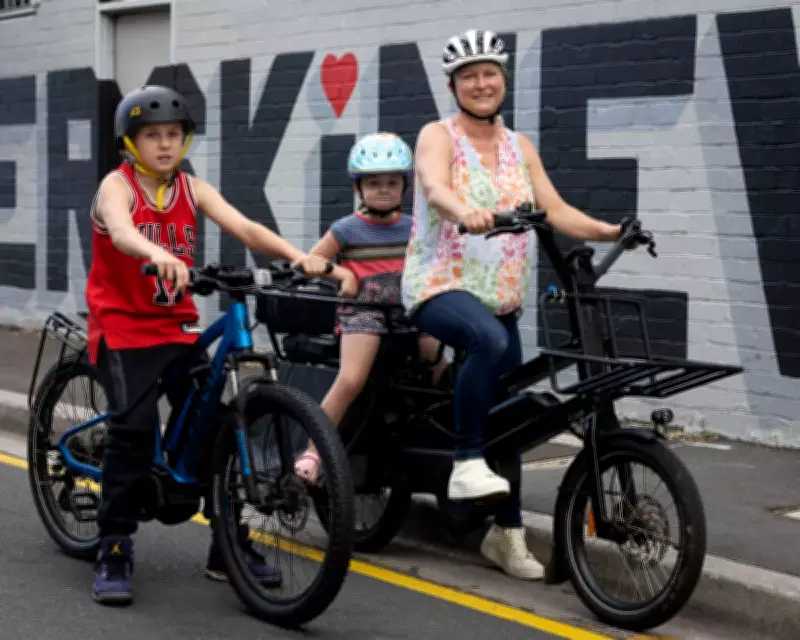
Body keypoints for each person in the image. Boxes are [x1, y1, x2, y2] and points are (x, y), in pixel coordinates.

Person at [85, 84, 357, 605]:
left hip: (175, 327)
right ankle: (114, 544)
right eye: (152, 135)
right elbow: (119, 230)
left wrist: (302, 258)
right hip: (123, 328)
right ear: (131, 142)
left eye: (173, 134)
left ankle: (227, 544)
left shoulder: (191, 187)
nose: (165, 144)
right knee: (133, 430)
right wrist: (155, 251)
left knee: (220, 429)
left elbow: (246, 228)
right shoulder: (117, 186)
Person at [401, 29, 625, 581]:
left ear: (503, 80)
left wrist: (611, 230)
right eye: (468, 76)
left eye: (489, 74)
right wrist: (463, 211)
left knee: (510, 419)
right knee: (488, 341)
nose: (480, 84)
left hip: (501, 298)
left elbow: (555, 210)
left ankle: (506, 532)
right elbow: (433, 186)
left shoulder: (518, 146)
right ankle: (465, 464)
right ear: (453, 86)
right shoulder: (438, 135)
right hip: (440, 285)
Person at [294, 132, 446, 484]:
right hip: (362, 311)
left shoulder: (414, 228)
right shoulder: (346, 229)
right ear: (358, 188)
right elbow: (310, 261)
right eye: (374, 183)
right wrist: (339, 272)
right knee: (352, 378)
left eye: (392, 183)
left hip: (406, 310)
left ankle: (432, 430)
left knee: (437, 361)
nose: (383, 190)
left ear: (405, 187)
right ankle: (314, 450)